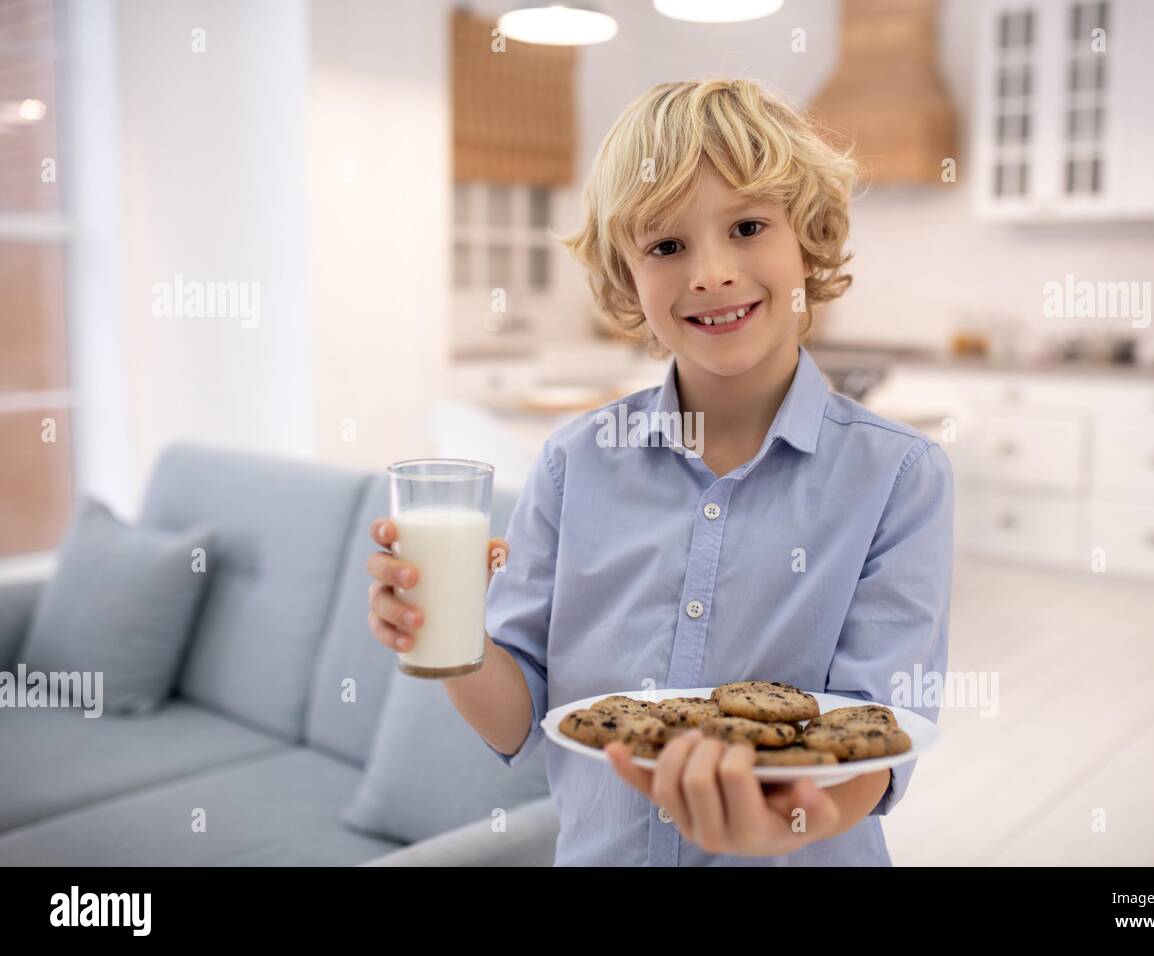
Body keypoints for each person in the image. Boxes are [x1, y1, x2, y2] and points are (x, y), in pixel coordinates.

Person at [366, 77, 954, 866]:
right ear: (627, 280)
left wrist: (783, 823)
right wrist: (450, 630)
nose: (710, 272)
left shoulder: (899, 476)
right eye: (666, 246)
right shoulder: (573, 465)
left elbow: (879, 732)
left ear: (808, 240)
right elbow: (516, 718)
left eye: (747, 227)